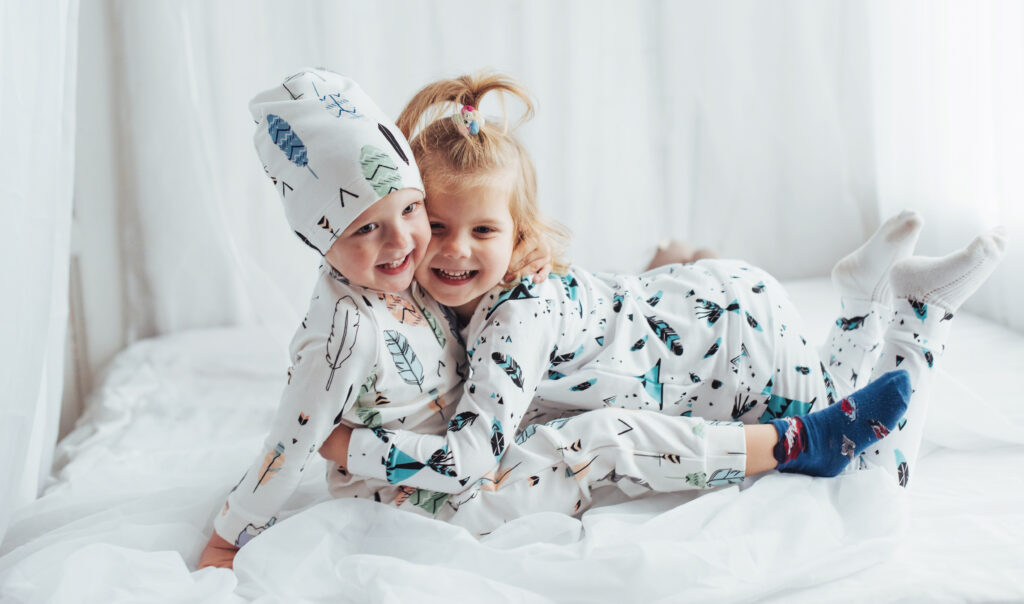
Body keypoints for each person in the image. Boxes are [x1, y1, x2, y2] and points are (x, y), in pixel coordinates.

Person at [318, 72, 1005, 533]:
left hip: (736, 352)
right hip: (717, 303)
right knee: (835, 395)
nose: (454, 251)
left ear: (521, 235)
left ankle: (920, 312)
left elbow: (473, 453)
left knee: (871, 469)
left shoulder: (512, 318)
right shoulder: (480, 284)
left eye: (483, 231)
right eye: (436, 226)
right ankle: (858, 303)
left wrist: (349, 446)